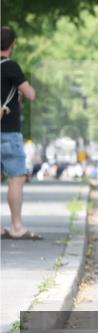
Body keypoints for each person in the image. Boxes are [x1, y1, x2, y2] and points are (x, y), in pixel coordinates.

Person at [1, 25, 43, 240]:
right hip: (8, 133)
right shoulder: (10, 66)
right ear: (12, 44)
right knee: (16, 178)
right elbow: (31, 94)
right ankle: (17, 226)